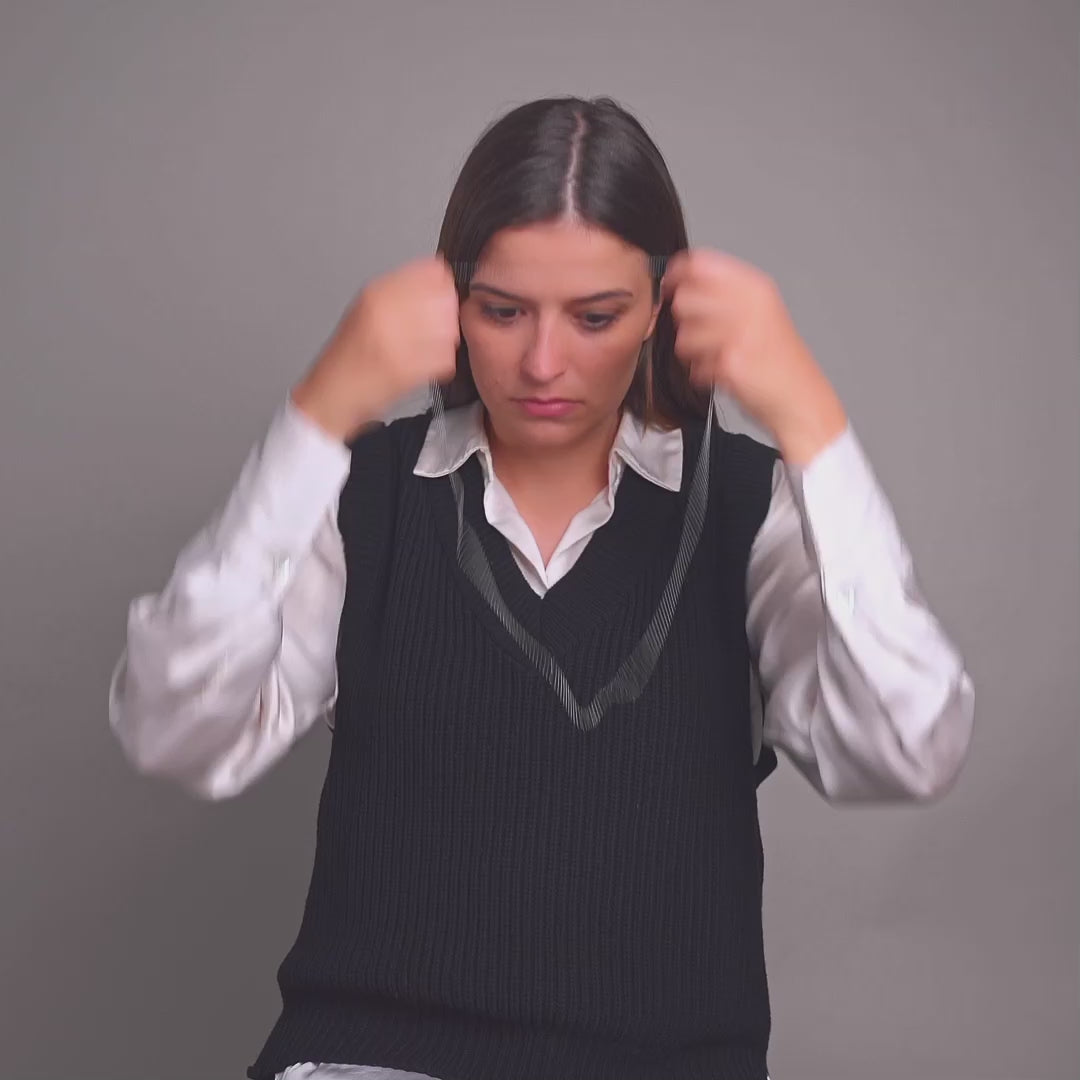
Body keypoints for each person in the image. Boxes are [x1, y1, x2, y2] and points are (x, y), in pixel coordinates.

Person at [107, 96, 975, 1080]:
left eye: (595, 317)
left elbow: (910, 749)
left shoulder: (746, 505)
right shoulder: (366, 497)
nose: (543, 363)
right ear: (450, 302)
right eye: (502, 311)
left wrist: (814, 423)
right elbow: (174, 732)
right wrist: (315, 422)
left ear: (660, 310)